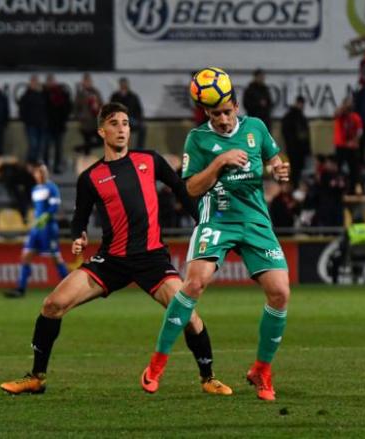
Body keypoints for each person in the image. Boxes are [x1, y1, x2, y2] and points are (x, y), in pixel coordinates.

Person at [0, 102, 232, 396]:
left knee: (187, 313)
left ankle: (208, 377)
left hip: (151, 259)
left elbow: (181, 189)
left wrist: (203, 220)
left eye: (125, 123)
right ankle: (36, 377)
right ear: (101, 131)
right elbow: (79, 217)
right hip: (110, 260)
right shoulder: (90, 177)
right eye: (114, 123)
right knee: (52, 305)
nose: (122, 129)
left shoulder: (150, 160)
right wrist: (78, 236)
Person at [139, 86, 291, 402]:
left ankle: (261, 369)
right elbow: (191, 188)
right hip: (217, 219)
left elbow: (275, 161)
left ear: (236, 105)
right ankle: (157, 363)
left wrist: (279, 169)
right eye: (215, 115)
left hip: (254, 220)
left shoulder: (256, 128)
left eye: (227, 112)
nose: (222, 120)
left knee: (280, 292)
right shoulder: (198, 139)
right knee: (194, 284)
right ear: (206, 114)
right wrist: (219, 161)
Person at [4, 162, 69, 298]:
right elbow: (37, 208)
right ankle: (20, 289)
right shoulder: (35, 189)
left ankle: (70, 288)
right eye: (38, 172)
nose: (41, 174)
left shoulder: (52, 187)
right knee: (26, 256)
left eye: (43, 171)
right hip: (36, 228)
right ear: (34, 174)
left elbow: (54, 206)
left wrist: (45, 217)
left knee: (56, 258)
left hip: (48, 228)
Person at [43, 74, 72, 174]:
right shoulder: (43, 93)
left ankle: (57, 166)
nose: (50, 83)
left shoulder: (62, 93)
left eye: (52, 81)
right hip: (47, 125)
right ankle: (45, 166)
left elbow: (68, 107)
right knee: (46, 148)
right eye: (49, 81)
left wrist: (64, 118)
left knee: (58, 148)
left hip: (59, 125)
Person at [333, 97, 363, 194]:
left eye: (350, 104)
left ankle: (353, 189)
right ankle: (337, 189)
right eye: (347, 104)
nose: (349, 106)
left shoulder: (356, 117)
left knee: (354, 170)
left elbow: (360, 132)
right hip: (340, 145)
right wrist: (343, 108)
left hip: (352, 147)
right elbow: (335, 114)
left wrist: (354, 141)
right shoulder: (340, 115)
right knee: (338, 168)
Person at [281, 96, 311, 183]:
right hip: (294, 149)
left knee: (298, 170)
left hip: (300, 149)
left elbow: (306, 135)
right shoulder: (291, 117)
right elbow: (287, 133)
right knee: (294, 170)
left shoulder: (301, 117)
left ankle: (295, 186)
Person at [18, 75, 48, 164]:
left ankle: (35, 164)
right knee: (33, 145)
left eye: (36, 82)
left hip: (41, 124)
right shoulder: (26, 95)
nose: (34, 84)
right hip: (31, 125)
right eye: (33, 82)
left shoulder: (43, 94)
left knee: (40, 147)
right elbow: (22, 109)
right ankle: (29, 163)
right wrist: (26, 120)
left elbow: (48, 108)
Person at [110, 77, 145, 149]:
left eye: (125, 84)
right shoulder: (115, 96)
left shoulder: (133, 96)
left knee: (143, 128)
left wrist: (139, 120)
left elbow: (139, 110)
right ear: (119, 85)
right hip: (119, 120)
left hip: (131, 119)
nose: (123, 86)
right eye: (122, 84)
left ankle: (139, 149)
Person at [74, 73, 102, 155]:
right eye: (86, 81)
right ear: (83, 82)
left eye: (89, 81)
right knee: (87, 144)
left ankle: (79, 148)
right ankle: (86, 160)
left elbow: (101, 104)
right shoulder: (80, 93)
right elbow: (75, 108)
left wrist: (99, 107)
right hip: (85, 123)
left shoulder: (96, 92)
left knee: (101, 141)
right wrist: (80, 117)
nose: (88, 83)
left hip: (96, 122)